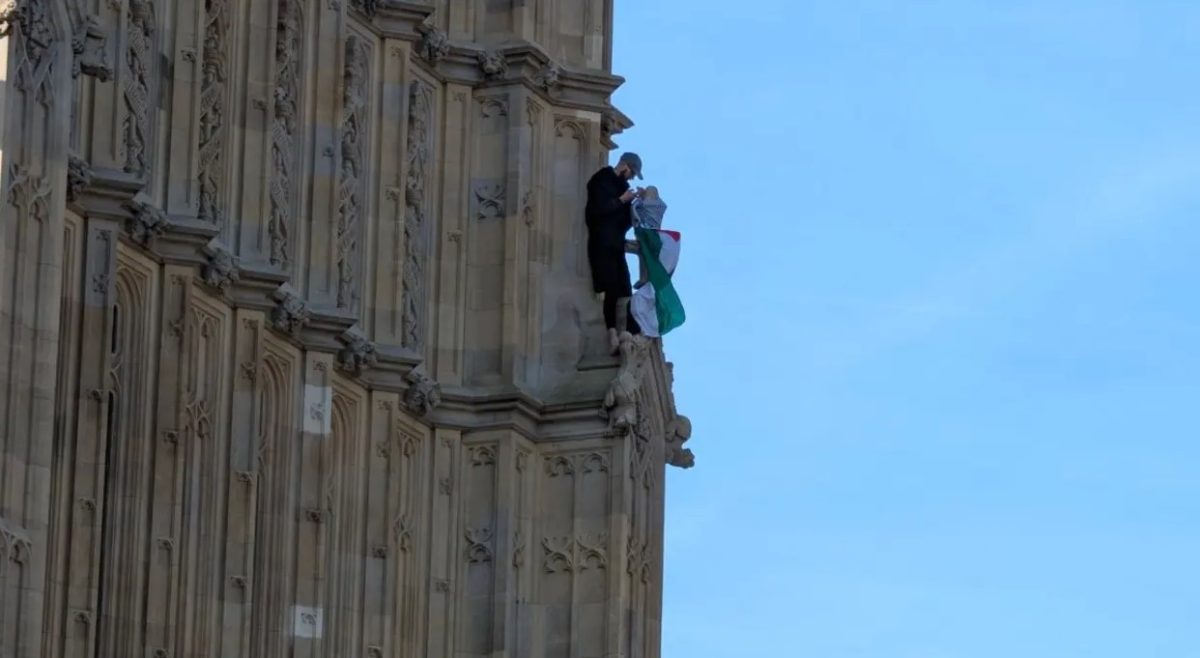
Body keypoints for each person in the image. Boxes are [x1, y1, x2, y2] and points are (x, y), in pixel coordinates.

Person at [586, 152, 643, 353]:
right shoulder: (602, 178)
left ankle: (624, 332)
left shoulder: (623, 188)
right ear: (625, 166)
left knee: (625, 289)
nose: (631, 178)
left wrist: (637, 203)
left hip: (616, 245)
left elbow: (626, 222)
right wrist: (621, 200)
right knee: (609, 287)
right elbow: (596, 211)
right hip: (602, 243)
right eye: (632, 173)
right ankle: (611, 333)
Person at [626, 185, 667, 289]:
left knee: (641, 251)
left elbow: (634, 208)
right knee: (644, 254)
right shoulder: (660, 206)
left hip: (646, 233)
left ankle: (644, 279)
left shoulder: (645, 204)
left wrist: (640, 196)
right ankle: (644, 279)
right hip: (654, 236)